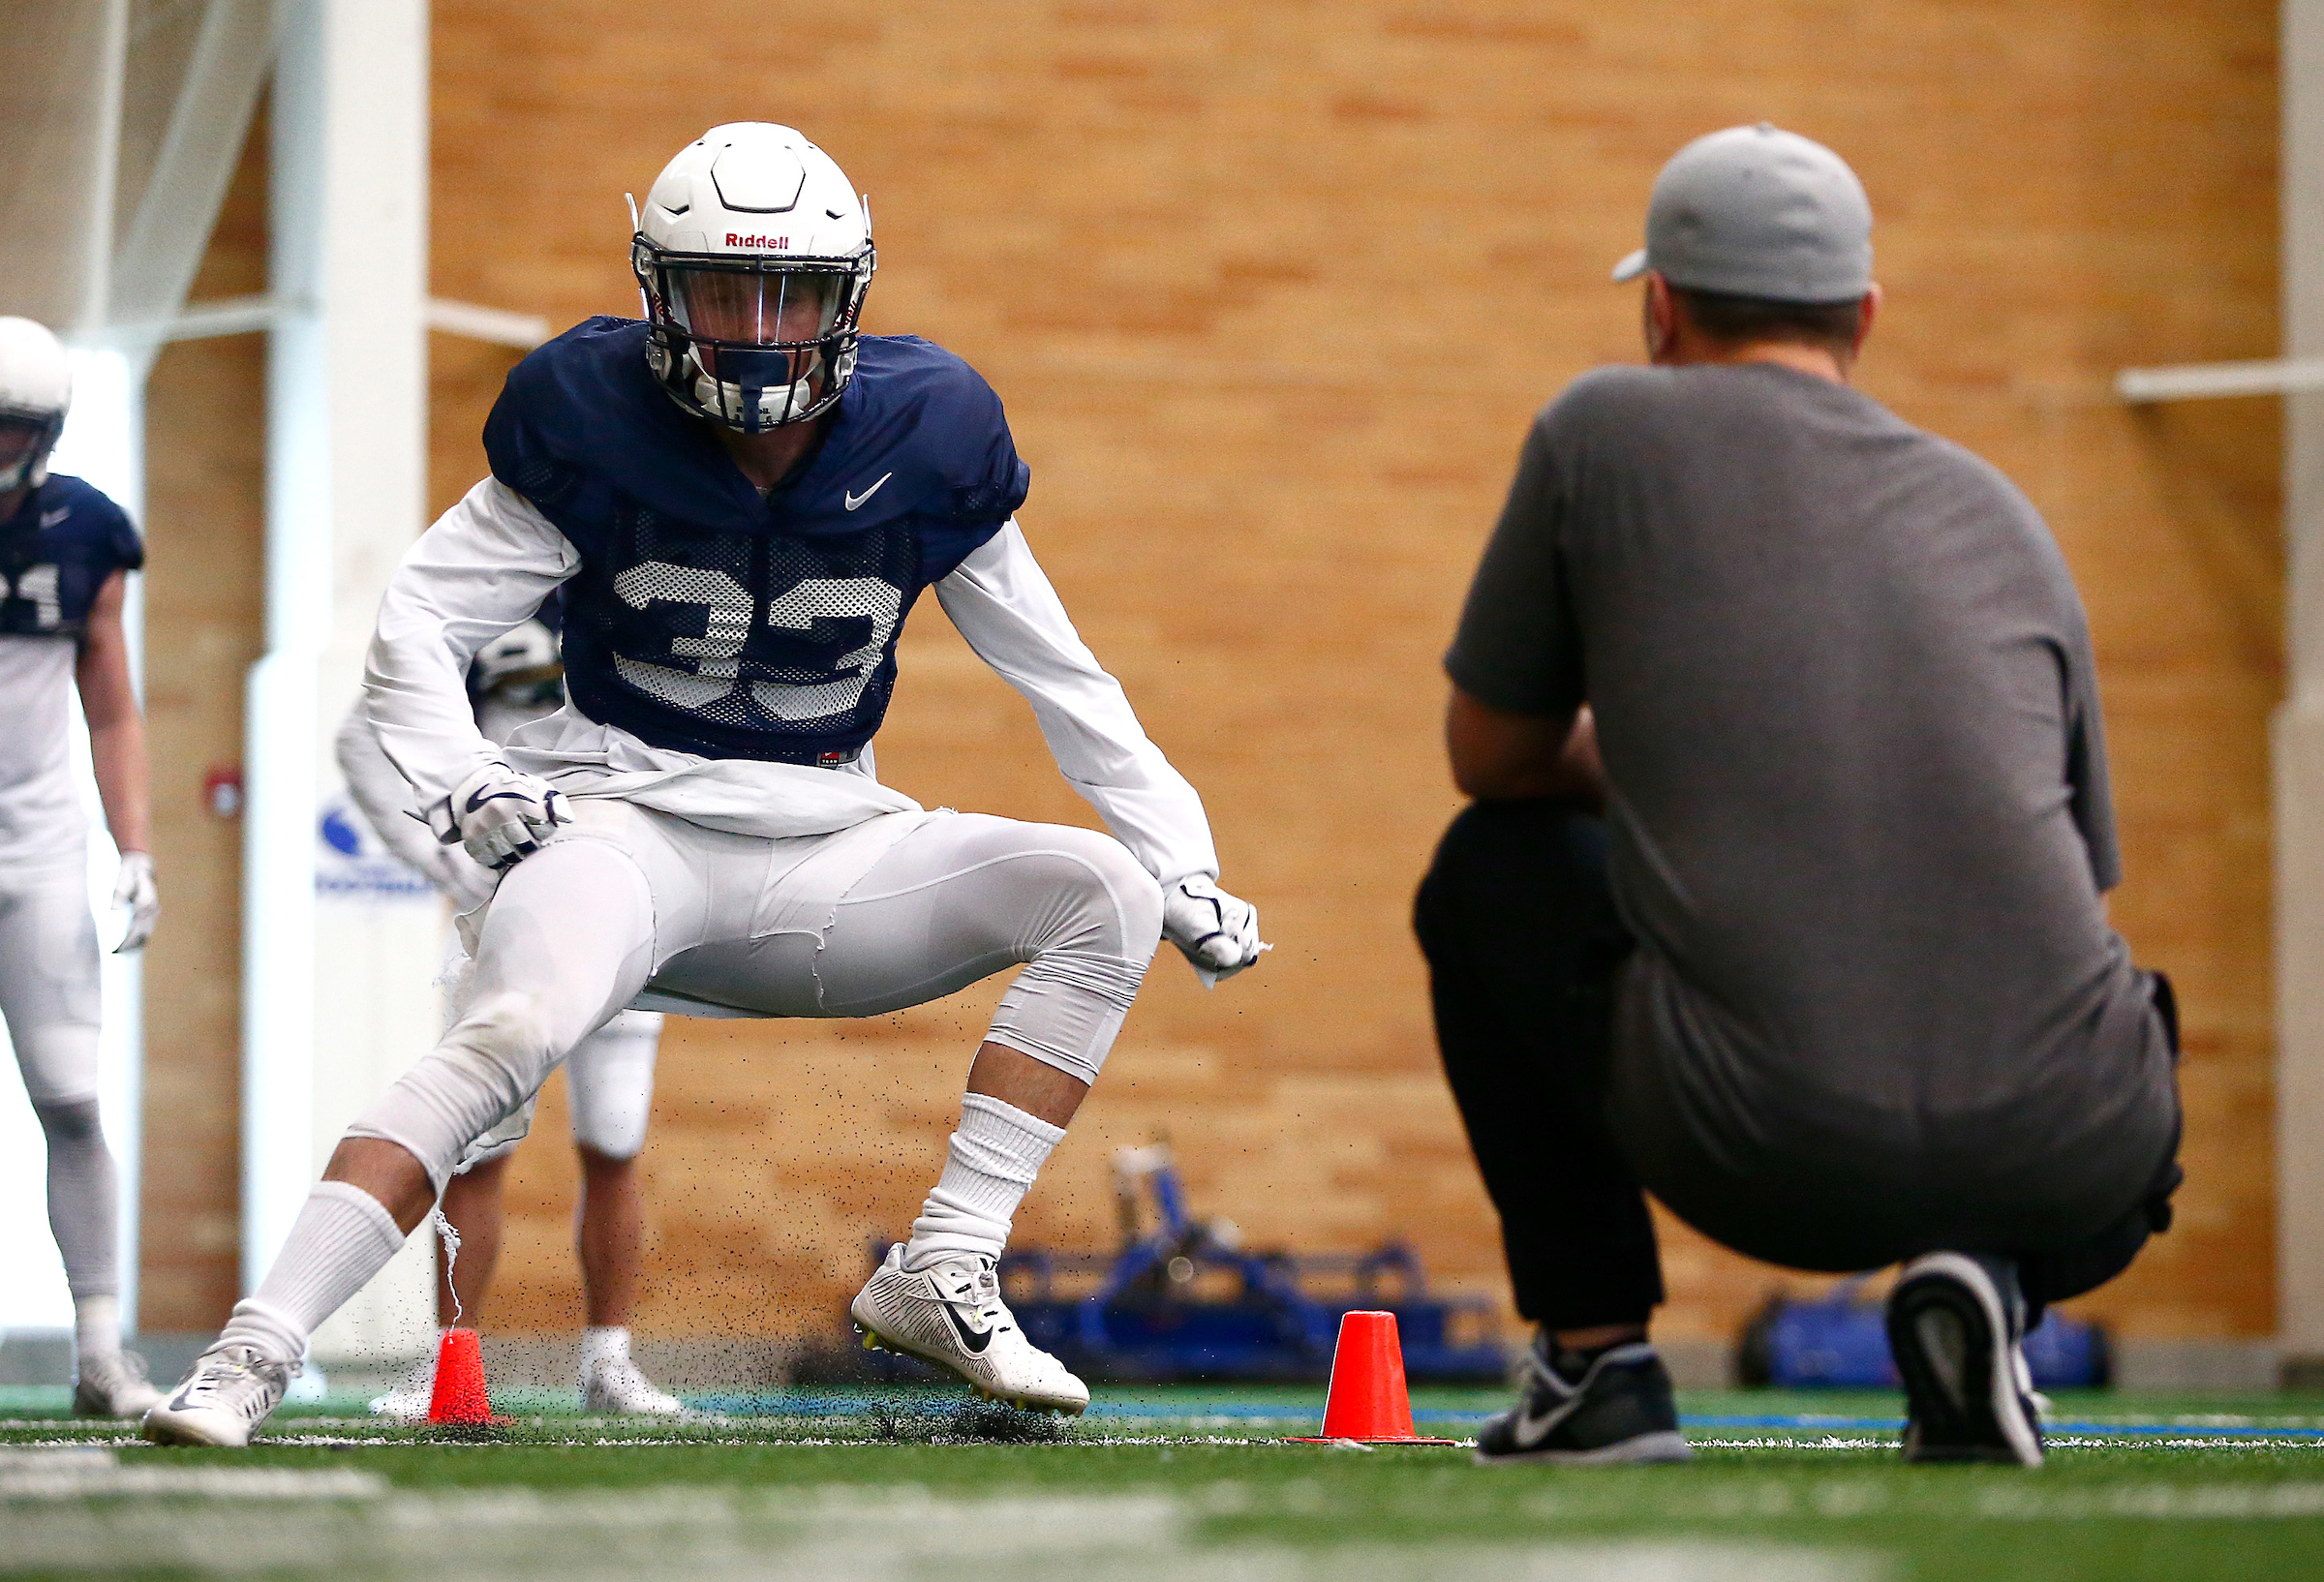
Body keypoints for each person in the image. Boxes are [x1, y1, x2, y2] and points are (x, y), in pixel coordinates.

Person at [145, 122, 1263, 1447]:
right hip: (625, 829)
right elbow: (418, 622)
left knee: (1108, 890)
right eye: (724, 292)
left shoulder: (933, 429)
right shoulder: (592, 414)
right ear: (655, 292)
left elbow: (1067, 680)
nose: (756, 329)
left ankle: (943, 1263)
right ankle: (249, 1353)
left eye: (789, 294)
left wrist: (1182, 852)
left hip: (833, 844)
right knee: (497, 1040)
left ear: (850, 298)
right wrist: (465, 784)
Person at [1415, 125, 2180, 1468]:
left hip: (1779, 1155)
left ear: (1660, 307)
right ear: (1866, 316)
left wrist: (1651, 763)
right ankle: (1989, 1282)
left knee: (1493, 867)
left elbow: (1491, 755)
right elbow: (2069, 875)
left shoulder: (1604, 427)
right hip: (2083, 1156)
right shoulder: (2000, 508)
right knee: (2098, 1002)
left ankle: (1598, 1368)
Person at [334, 613, 681, 1416]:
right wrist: (448, 858)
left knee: (615, 1142)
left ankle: (609, 1363)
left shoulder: (655, 588)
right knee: (477, 1150)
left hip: (627, 907)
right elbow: (368, 736)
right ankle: (451, 1359)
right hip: (513, 918)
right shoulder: (479, 606)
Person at [0, 317, 164, 1418]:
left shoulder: (85, 530)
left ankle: (100, 1343)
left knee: (68, 1094)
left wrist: (137, 845)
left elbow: (111, 703)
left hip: (37, 845)